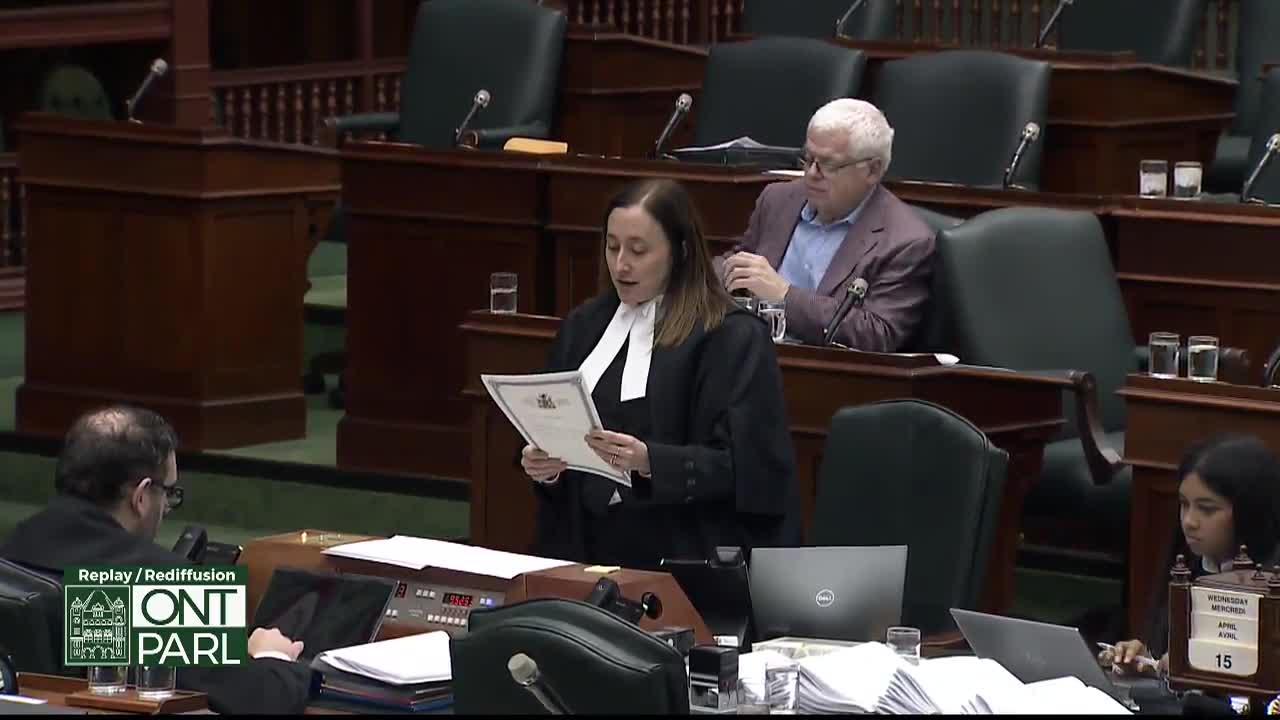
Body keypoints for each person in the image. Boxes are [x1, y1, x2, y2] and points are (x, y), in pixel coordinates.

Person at [520, 178, 801, 568]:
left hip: (680, 552)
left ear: (681, 252)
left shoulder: (731, 338)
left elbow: (751, 471)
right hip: (582, 546)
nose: (621, 264)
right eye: (612, 246)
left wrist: (651, 461)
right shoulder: (583, 326)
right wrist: (546, 468)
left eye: (638, 250)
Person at [0, 406, 312, 715]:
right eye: (168, 492)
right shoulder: (157, 582)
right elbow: (264, 701)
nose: (166, 507)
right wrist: (273, 657)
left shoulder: (13, 547)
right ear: (141, 496)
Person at [718, 98, 935, 350]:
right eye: (808, 159)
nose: (811, 173)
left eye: (828, 164)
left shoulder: (905, 241)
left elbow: (877, 333)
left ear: (872, 171)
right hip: (745, 353)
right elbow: (736, 263)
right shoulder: (777, 200)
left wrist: (784, 295)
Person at [1097, 435, 1280, 675]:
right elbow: (1170, 657)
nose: (1189, 521)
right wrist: (1149, 660)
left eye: (1207, 509)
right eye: (1184, 504)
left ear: (1250, 512)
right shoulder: (1188, 564)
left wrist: (1200, 669)